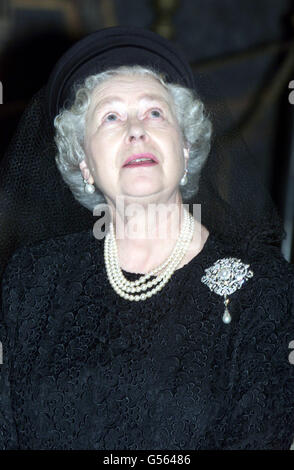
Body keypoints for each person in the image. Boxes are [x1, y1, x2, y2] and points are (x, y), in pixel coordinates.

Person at [0, 26, 294, 450]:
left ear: (186, 146)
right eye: (111, 117)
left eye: (155, 113)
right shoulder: (33, 280)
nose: (136, 129)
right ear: (84, 161)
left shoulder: (261, 290)